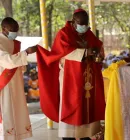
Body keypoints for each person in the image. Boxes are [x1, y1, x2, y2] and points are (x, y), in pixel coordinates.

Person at [36, 9, 105, 140]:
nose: (84, 27)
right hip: (70, 78)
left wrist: (99, 53)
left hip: (87, 77)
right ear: (74, 22)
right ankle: (68, 136)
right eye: (81, 24)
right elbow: (63, 52)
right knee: (72, 104)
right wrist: (85, 52)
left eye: (86, 24)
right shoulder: (64, 33)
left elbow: (98, 47)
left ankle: (86, 135)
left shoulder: (89, 34)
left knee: (86, 106)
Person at [0, 17, 37, 140]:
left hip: (16, 82)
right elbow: (6, 61)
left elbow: (20, 66)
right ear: (3, 29)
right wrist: (25, 53)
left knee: (17, 111)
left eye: (16, 30)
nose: (14, 33)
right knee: (6, 113)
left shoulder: (15, 43)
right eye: (12, 30)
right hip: (3, 84)